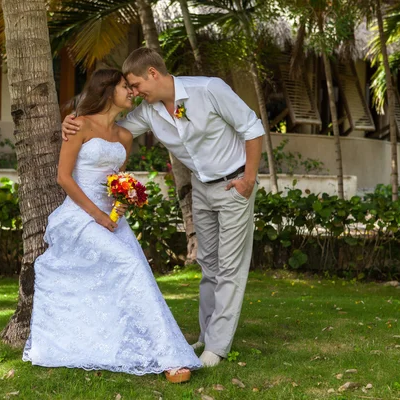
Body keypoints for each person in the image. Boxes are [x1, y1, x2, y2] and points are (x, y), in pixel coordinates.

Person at [62, 48, 264, 367]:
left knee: (229, 268)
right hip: (201, 186)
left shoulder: (209, 89)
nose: (134, 92)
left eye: (136, 84)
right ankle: (206, 336)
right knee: (209, 264)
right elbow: (107, 123)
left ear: (153, 74)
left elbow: (252, 128)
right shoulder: (149, 112)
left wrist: (248, 179)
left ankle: (217, 348)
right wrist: (73, 120)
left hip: (234, 184)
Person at [23, 68, 201, 383]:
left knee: (138, 270)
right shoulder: (78, 125)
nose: (131, 92)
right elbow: (63, 178)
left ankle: (162, 351)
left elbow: (115, 180)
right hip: (81, 216)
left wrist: (122, 201)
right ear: (107, 90)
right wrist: (98, 215)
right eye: (125, 87)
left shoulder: (125, 136)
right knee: (128, 264)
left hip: (111, 218)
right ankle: (169, 358)